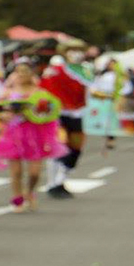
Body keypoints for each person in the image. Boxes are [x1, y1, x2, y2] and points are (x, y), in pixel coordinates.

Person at [0, 59, 68, 212]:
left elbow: (51, 112)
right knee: (16, 171)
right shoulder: (9, 92)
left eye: (25, 71)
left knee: (34, 173)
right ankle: (17, 199)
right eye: (18, 71)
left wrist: (40, 113)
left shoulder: (40, 93)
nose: (22, 74)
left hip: (34, 135)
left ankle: (30, 192)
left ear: (32, 72)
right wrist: (2, 116)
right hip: (13, 134)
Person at [39, 39, 93, 199]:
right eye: (72, 50)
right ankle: (52, 184)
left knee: (75, 150)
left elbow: (90, 91)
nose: (76, 54)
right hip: (58, 115)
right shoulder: (55, 70)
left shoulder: (85, 71)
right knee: (58, 149)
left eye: (79, 50)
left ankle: (61, 180)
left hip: (77, 114)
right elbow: (45, 90)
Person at [89, 55, 133, 150]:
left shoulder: (121, 76)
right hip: (103, 99)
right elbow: (94, 86)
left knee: (112, 119)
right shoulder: (101, 75)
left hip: (115, 99)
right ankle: (106, 134)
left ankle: (111, 138)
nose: (111, 66)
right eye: (110, 64)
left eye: (113, 64)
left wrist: (118, 94)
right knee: (103, 118)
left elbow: (128, 88)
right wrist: (98, 94)